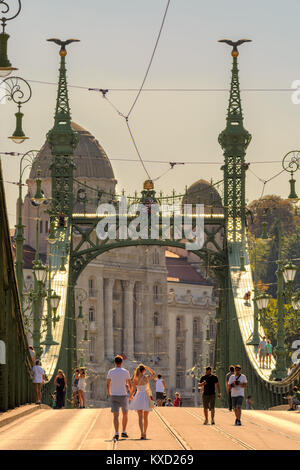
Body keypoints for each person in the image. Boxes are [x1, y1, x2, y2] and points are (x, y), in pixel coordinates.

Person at [107, 355, 132, 441]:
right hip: (123, 395)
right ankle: (124, 431)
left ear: (114, 362)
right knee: (125, 414)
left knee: (115, 415)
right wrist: (131, 393)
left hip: (114, 395)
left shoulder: (110, 371)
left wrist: (109, 392)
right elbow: (129, 383)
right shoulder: (126, 372)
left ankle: (116, 433)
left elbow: (108, 383)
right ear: (122, 362)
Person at [129, 363, 156, 439]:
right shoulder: (146, 378)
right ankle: (145, 433)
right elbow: (154, 374)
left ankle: (141, 433)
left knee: (140, 417)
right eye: (145, 370)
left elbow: (133, 390)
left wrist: (130, 396)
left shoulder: (135, 379)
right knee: (146, 417)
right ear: (143, 371)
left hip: (138, 396)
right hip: (145, 397)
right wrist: (148, 368)